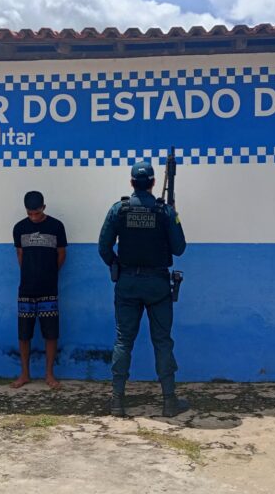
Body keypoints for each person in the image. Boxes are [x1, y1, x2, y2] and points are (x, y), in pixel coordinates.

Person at [98, 160, 188, 417]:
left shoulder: (119, 209)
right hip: (157, 285)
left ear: (131, 182)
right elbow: (179, 249)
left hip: (127, 283)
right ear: (153, 182)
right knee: (162, 341)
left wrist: (116, 265)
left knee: (123, 340)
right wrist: (173, 216)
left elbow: (103, 247)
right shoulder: (165, 212)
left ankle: (117, 401)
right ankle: (169, 401)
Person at [11, 190, 67, 389]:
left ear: (44, 207)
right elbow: (20, 255)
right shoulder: (19, 228)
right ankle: (25, 374)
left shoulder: (56, 226)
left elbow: (61, 254)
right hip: (26, 290)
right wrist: (30, 274)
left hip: (49, 289)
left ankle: (49, 375)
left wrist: (50, 273)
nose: (33, 217)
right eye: (30, 213)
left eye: (37, 213)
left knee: (51, 334)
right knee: (24, 334)